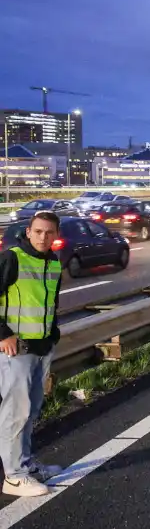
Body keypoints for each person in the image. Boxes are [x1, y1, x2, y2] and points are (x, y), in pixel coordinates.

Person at [0, 212, 65, 497]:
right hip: (16, 350)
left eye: (49, 233)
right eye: (38, 231)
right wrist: (3, 334)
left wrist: (53, 336)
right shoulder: (11, 258)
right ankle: (14, 476)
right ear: (28, 232)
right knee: (16, 413)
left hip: (41, 349)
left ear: (56, 235)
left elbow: (51, 303)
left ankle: (26, 465)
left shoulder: (53, 262)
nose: (43, 237)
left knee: (31, 411)